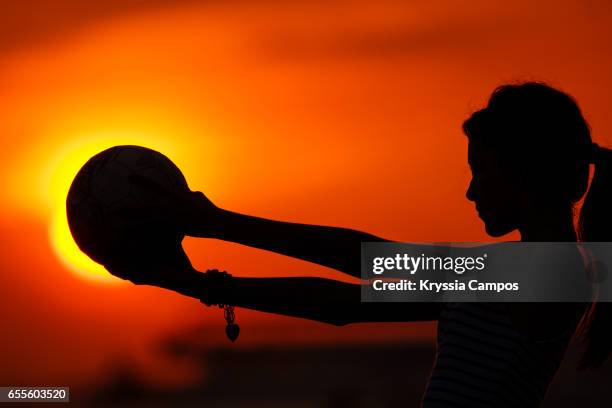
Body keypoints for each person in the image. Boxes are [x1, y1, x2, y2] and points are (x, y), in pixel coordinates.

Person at [107, 82, 612, 407]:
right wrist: (207, 284)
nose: (471, 191)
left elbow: (366, 261)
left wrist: (217, 224)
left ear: (523, 174)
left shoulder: (550, 273)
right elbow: (345, 303)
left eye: (481, 172)